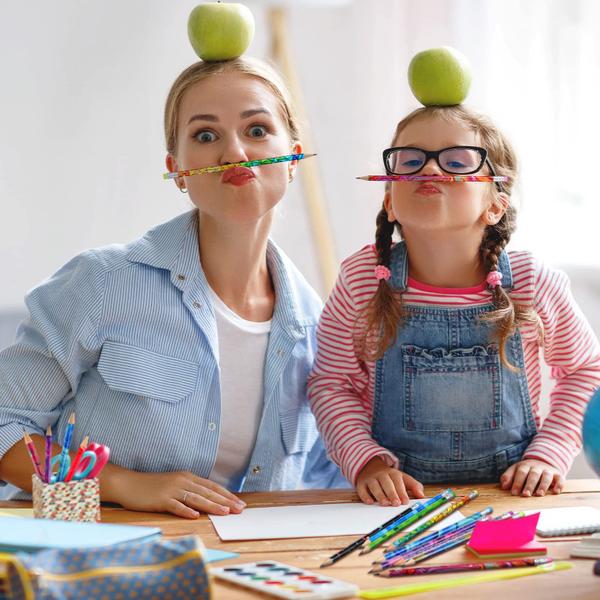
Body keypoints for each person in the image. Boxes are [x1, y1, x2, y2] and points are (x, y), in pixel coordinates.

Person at [0, 57, 346, 519]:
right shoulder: (102, 282)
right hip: (87, 562)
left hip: (236, 570)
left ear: (294, 158)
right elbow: (6, 426)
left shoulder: (313, 326)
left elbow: (320, 477)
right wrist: (123, 485)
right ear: (178, 169)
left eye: (258, 130)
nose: (235, 153)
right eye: (206, 136)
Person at [308, 104, 600, 507]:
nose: (429, 170)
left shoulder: (532, 281)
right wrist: (368, 464)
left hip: (512, 499)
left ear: (496, 205)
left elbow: (587, 370)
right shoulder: (363, 279)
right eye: (410, 161)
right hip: (396, 505)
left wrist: (548, 453)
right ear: (390, 200)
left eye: (456, 161)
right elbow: (331, 384)